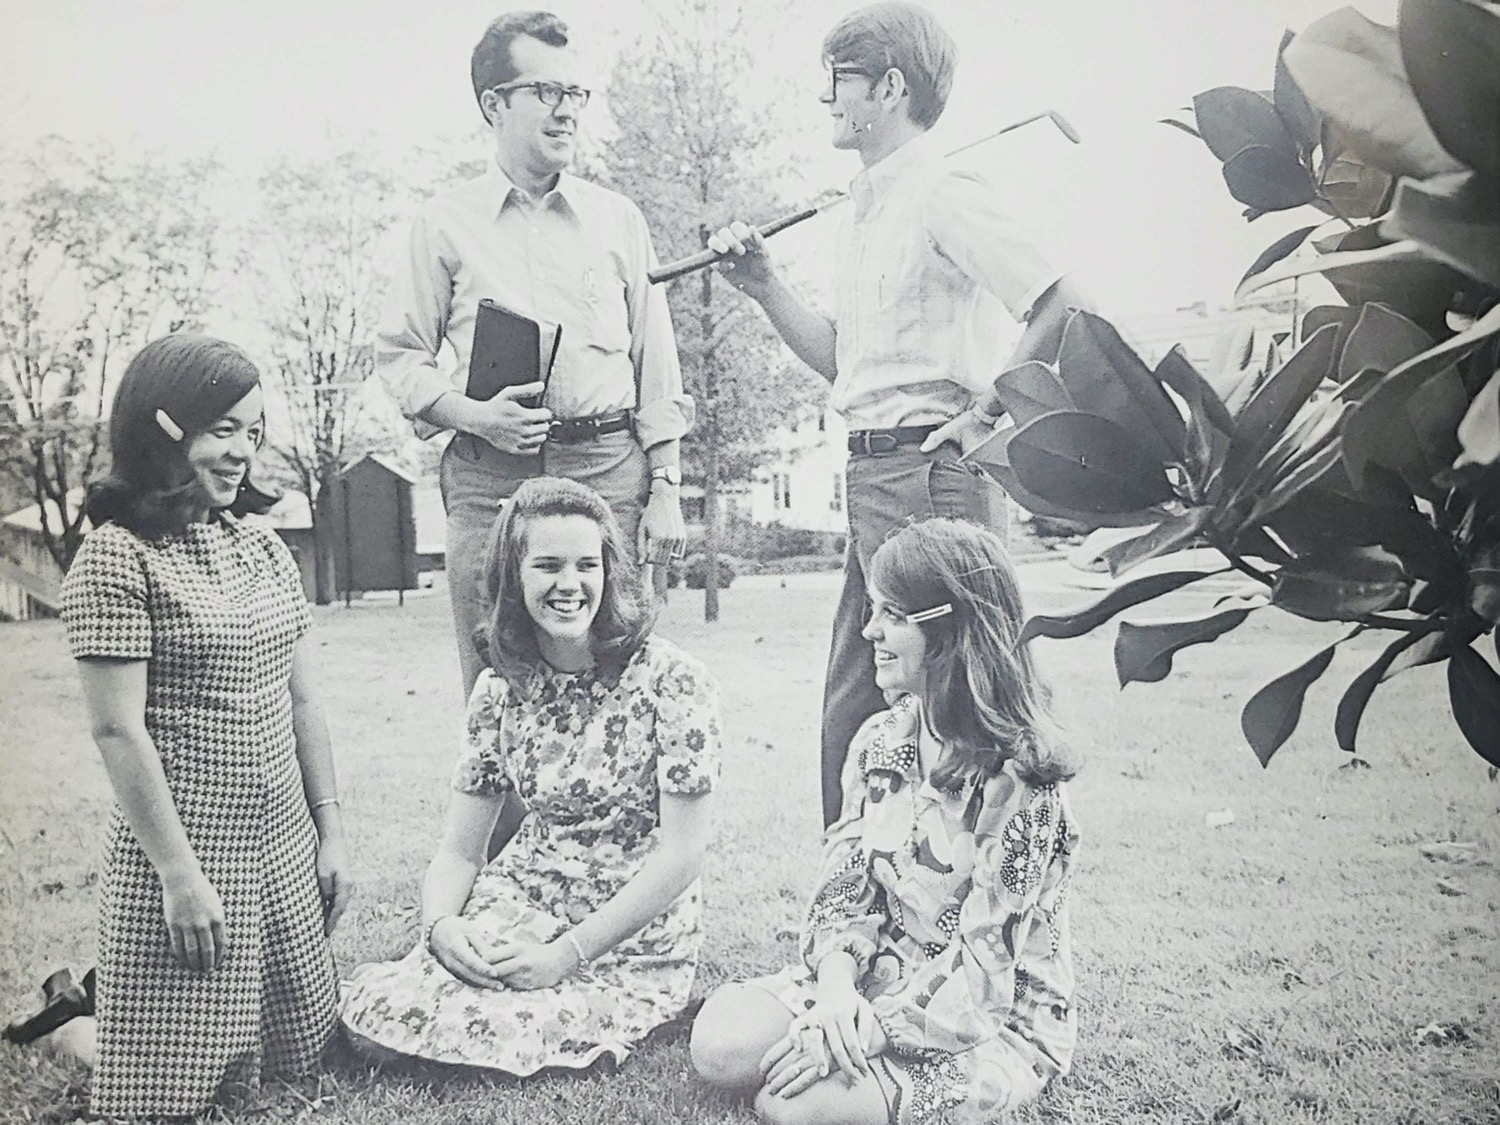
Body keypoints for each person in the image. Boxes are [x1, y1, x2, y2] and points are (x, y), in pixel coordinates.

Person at [706, 1, 1097, 827]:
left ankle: (984, 904)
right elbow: (848, 363)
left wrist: (986, 408)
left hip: (931, 476)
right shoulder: (865, 209)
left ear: (889, 87)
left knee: (966, 705)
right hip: (871, 477)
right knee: (855, 707)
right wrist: (765, 285)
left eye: (838, 82)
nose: (827, 100)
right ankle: (853, 899)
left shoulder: (943, 189)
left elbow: (1061, 299)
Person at [690, 517, 1080, 1125]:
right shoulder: (880, 739)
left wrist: (868, 1031)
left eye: (893, 615)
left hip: (985, 1017)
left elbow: (985, 966)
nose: (868, 630)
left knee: (796, 1108)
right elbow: (842, 893)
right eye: (873, 610)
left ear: (954, 630)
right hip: (874, 975)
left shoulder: (1021, 780)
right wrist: (839, 992)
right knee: (721, 1045)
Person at [55, 334, 351, 1118]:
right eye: (223, 427)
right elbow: (118, 732)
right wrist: (180, 877)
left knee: (305, 1054)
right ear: (164, 424)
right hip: (188, 859)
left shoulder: (263, 550)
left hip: (282, 847)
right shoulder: (114, 559)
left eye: (253, 432)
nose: (242, 452)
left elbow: (304, 703)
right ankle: (74, 1013)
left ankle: (96, 998)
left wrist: (331, 832)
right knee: (159, 1091)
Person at [339, 477, 720, 1075]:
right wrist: (440, 927)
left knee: (507, 1024)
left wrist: (567, 954)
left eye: (585, 565)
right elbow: (461, 851)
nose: (570, 585)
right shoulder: (499, 688)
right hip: (524, 894)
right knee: (391, 1006)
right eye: (547, 566)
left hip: (624, 924)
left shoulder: (671, 680)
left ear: (608, 572)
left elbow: (682, 856)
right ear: (514, 578)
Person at [377, 9, 692, 700]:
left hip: (609, 472)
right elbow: (400, 357)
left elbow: (656, 364)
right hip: (491, 482)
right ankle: (503, 814)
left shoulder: (619, 220)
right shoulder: (444, 224)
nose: (567, 111)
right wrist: (475, 415)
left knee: (622, 685)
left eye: (575, 94)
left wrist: (665, 486)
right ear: (495, 103)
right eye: (547, 93)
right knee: (498, 690)